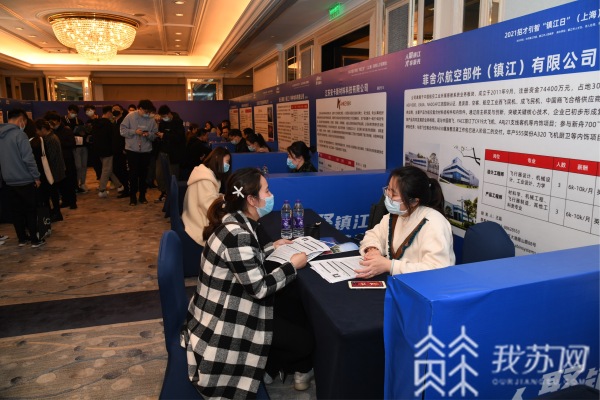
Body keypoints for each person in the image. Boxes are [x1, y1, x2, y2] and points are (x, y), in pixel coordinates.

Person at [181, 167, 307, 399]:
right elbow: (259, 288)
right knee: (302, 340)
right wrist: (292, 266)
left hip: (210, 314)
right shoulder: (239, 235)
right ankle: (270, 367)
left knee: (287, 313)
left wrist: (271, 247)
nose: (270, 196)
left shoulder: (233, 224)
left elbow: (243, 260)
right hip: (221, 328)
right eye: (266, 191)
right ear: (251, 200)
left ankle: (268, 366)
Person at [357, 166, 455, 278]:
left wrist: (390, 266)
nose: (388, 196)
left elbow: (437, 270)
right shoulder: (397, 214)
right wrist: (373, 249)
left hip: (423, 286)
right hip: (397, 281)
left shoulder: (434, 223)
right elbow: (373, 235)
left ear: (414, 202)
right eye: (388, 189)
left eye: (394, 194)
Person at [0, 108, 45, 247]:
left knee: (16, 212)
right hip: (24, 179)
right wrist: (36, 176)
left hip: (8, 180)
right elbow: (28, 159)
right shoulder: (20, 135)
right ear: (21, 120)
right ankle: (35, 240)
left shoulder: (1, 135)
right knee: (30, 210)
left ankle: (22, 238)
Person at [181, 147, 231, 246]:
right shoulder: (205, 179)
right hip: (199, 221)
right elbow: (209, 207)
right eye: (227, 161)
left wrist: (222, 198)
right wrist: (227, 205)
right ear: (217, 159)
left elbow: (211, 196)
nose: (228, 165)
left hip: (194, 213)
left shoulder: (206, 173)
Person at [119, 99, 158, 206]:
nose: (147, 114)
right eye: (145, 111)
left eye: (148, 112)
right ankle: (132, 197)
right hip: (132, 150)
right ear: (139, 109)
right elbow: (122, 131)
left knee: (143, 174)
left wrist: (148, 135)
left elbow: (155, 135)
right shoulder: (130, 116)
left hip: (146, 150)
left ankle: (142, 196)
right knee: (133, 174)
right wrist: (134, 132)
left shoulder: (151, 119)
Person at [33, 119, 66, 222]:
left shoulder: (49, 139)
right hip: (56, 170)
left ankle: (56, 213)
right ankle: (55, 212)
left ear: (43, 129)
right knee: (53, 193)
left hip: (53, 171)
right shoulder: (52, 136)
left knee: (53, 194)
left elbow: (50, 158)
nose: (37, 133)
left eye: (37, 130)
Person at [45, 112, 78, 210]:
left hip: (67, 160)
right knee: (61, 183)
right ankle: (65, 200)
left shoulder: (66, 130)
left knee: (70, 182)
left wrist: (58, 143)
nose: (51, 124)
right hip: (57, 161)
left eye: (52, 121)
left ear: (58, 121)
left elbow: (72, 143)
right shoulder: (50, 132)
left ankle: (72, 202)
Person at [155, 105, 186, 202]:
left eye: (164, 116)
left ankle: (173, 194)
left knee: (173, 175)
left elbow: (179, 138)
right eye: (161, 116)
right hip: (162, 151)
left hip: (174, 154)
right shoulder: (162, 123)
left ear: (169, 114)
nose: (163, 118)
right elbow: (160, 134)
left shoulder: (178, 122)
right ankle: (164, 192)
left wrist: (165, 135)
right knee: (159, 174)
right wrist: (158, 135)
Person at [92, 106, 123, 198]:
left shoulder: (96, 123)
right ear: (109, 113)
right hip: (108, 150)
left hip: (98, 150)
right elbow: (112, 138)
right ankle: (102, 190)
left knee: (108, 169)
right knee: (106, 170)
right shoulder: (109, 124)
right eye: (112, 113)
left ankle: (119, 185)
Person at [111, 104, 129, 198]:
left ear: (121, 111)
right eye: (113, 109)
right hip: (116, 150)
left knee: (123, 170)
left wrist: (125, 148)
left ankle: (127, 189)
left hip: (123, 151)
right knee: (117, 169)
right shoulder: (114, 122)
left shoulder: (124, 121)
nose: (114, 110)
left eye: (116, 109)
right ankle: (125, 187)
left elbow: (126, 136)